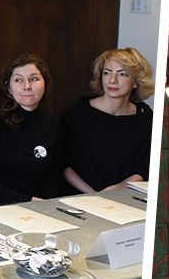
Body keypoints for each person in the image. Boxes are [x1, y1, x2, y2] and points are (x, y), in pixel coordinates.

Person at [61, 47, 154, 194]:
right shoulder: (78, 113)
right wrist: (95, 196)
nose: (112, 80)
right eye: (107, 72)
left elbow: (145, 166)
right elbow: (63, 164)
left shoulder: (145, 117)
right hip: (80, 196)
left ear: (135, 82)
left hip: (126, 195)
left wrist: (118, 189)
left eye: (122, 74)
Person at [0, 54, 61, 207]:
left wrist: (50, 206)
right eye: (18, 80)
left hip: (38, 208)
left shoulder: (52, 123)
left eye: (34, 79)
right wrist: (29, 201)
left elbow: (52, 178)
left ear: (45, 84)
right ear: (8, 87)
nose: (27, 86)